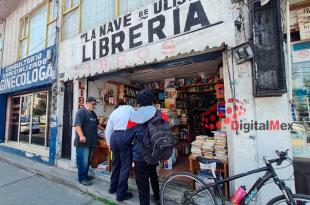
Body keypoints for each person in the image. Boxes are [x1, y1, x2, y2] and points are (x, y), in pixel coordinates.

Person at [127, 90, 161, 205]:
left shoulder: (133, 116)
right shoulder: (160, 114)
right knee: (153, 174)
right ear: (152, 101)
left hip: (139, 154)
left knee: (142, 181)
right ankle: (157, 197)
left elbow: (128, 136)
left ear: (139, 102)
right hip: (154, 152)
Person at [105, 100, 134, 202]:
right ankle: (121, 194)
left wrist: (109, 144)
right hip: (124, 137)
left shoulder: (113, 112)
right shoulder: (130, 109)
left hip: (114, 138)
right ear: (125, 104)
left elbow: (107, 130)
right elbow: (136, 123)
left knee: (115, 164)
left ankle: (112, 188)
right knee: (125, 166)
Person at [74, 96, 104, 186]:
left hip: (91, 141)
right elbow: (77, 125)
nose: (94, 106)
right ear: (87, 103)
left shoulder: (93, 113)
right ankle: (82, 178)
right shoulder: (81, 112)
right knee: (82, 161)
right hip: (83, 142)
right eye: (93, 104)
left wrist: (105, 130)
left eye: (95, 104)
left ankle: (85, 175)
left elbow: (97, 124)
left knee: (87, 160)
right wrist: (81, 136)